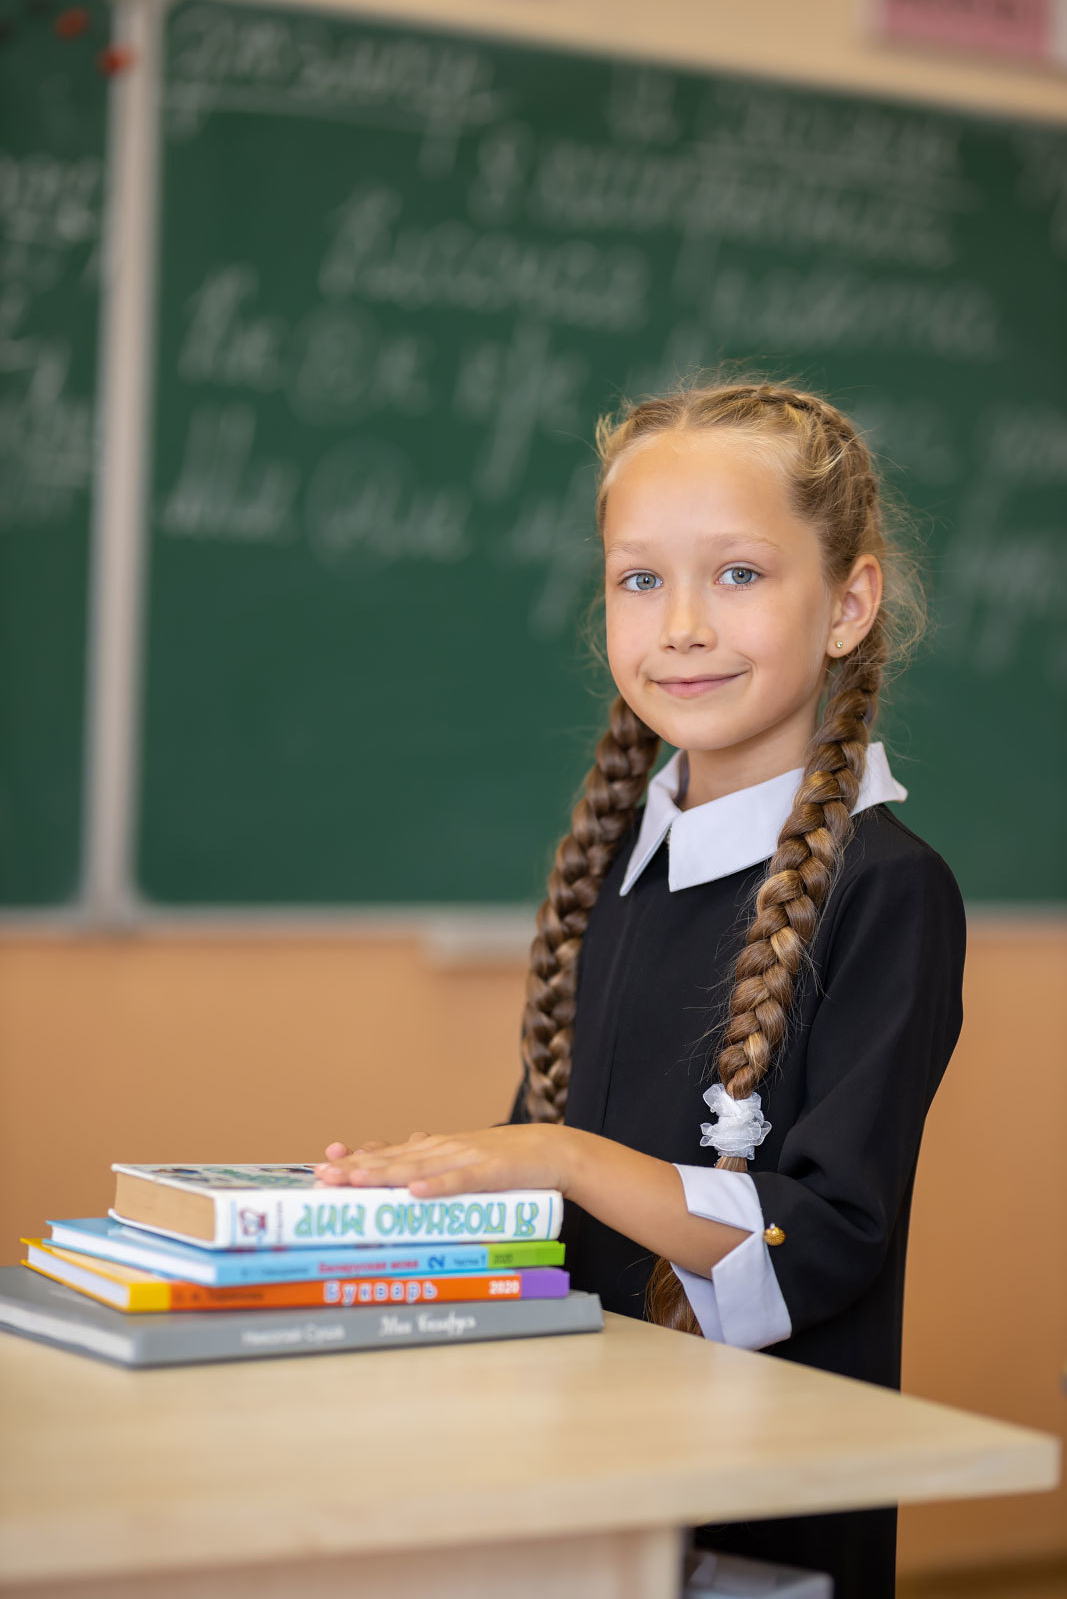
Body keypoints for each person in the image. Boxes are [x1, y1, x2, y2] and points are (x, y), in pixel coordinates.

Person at [316, 376, 967, 1599]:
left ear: (847, 603)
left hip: (759, 1524)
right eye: (637, 579)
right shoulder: (616, 858)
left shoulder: (885, 889)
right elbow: (539, 1168)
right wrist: (380, 1210)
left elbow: (825, 1239)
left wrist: (563, 1159)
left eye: (736, 574)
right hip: (578, 1478)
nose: (678, 624)